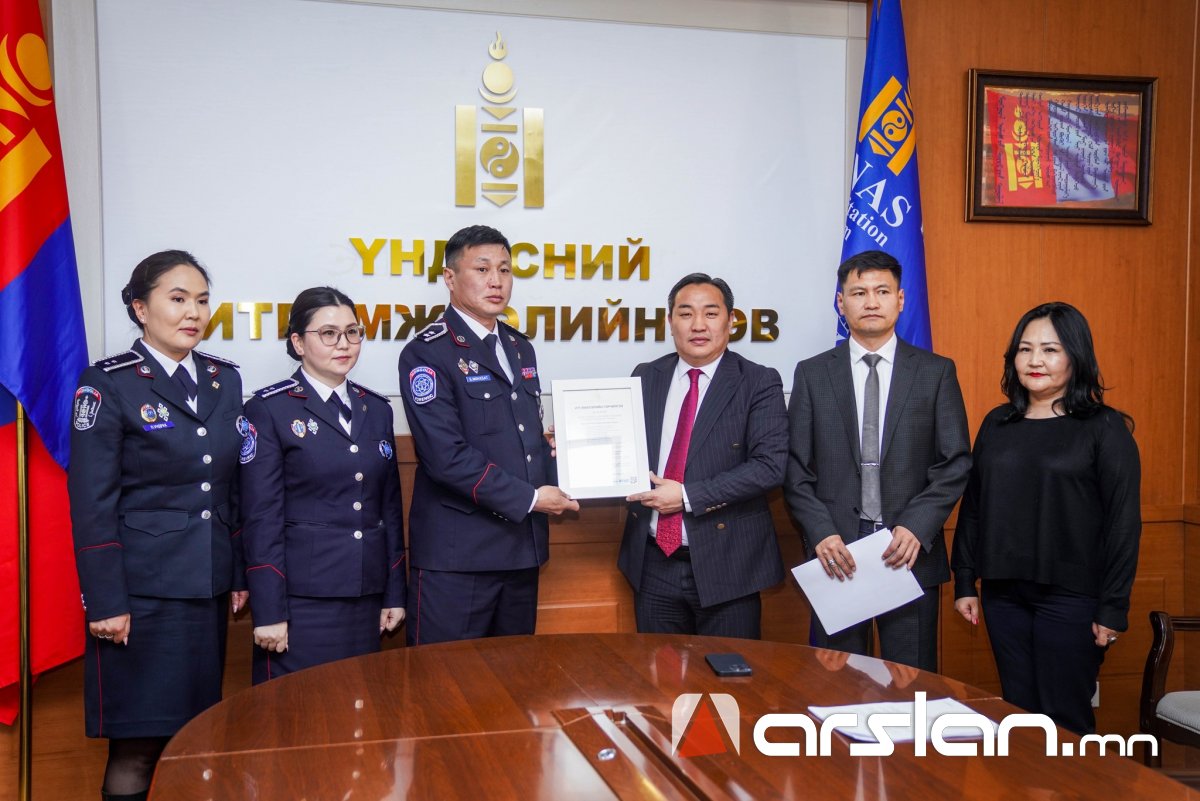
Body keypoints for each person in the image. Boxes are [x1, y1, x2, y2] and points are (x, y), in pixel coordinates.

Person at [68, 250, 247, 801]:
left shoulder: (223, 379)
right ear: (140, 309)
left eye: (202, 300)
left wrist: (238, 572)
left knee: (194, 739)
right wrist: (105, 602)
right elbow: (92, 502)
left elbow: (230, 489)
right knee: (138, 747)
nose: (193, 312)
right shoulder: (108, 383)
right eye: (178, 299)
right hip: (140, 598)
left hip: (205, 590)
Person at [952, 302, 1140, 734]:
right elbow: (974, 505)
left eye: (1050, 350)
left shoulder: (1104, 427)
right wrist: (964, 580)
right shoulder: (997, 423)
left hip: (1072, 597)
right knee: (1019, 717)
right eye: (1025, 349)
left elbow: (1123, 524)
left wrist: (1113, 607)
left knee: (1065, 717)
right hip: (1003, 594)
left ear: (1076, 357)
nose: (1035, 360)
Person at [784, 250, 970, 671]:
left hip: (907, 553)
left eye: (882, 292)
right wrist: (821, 533)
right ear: (841, 302)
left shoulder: (936, 372)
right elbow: (796, 468)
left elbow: (955, 461)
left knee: (912, 680)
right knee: (838, 682)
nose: (871, 302)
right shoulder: (812, 374)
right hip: (836, 555)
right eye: (859, 293)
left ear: (900, 300)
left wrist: (917, 525)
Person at [397, 224, 578, 645]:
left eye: (504, 269)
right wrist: (531, 498)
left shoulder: (519, 347)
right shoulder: (427, 352)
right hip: (458, 558)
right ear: (450, 277)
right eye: (482, 269)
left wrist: (555, 450)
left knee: (512, 676)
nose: (496, 281)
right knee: (443, 678)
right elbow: (446, 457)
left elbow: (518, 435)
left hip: (520, 549)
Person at [239, 287, 407, 683]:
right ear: (298, 343)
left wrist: (394, 592)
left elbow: (389, 508)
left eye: (352, 332)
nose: (343, 344)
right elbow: (261, 517)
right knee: (297, 711)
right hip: (300, 602)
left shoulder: (376, 409)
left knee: (358, 709)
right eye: (328, 333)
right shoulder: (269, 409)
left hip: (365, 596)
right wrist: (269, 610)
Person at [619, 273, 788, 638]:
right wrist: (571, 443)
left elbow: (769, 467)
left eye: (711, 313)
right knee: (656, 670)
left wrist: (686, 496)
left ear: (731, 320)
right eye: (685, 314)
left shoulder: (758, 381)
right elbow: (623, 446)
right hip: (653, 564)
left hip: (729, 564)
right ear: (670, 321)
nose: (698, 325)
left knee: (727, 672)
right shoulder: (646, 376)